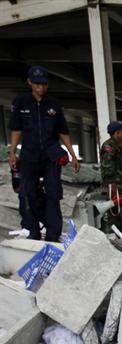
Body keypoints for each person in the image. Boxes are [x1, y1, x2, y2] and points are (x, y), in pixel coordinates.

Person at [8, 65, 80, 241]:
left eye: (44, 85)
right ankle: (32, 232)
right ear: (30, 83)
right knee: (27, 193)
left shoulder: (54, 105)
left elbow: (63, 131)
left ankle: (53, 235)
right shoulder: (21, 102)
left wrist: (72, 154)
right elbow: (16, 129)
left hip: (50, 155)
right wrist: (12, 153)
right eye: (37, 84)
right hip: (29, 154)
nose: (41, 88)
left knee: (53, 193)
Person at [100, 121, 122, 230]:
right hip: (116, 186)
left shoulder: (116, 146)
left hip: (120, 185)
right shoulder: (108, 146)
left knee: (120, 214)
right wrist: (111, 185)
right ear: (117, 133)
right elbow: (107, 167)